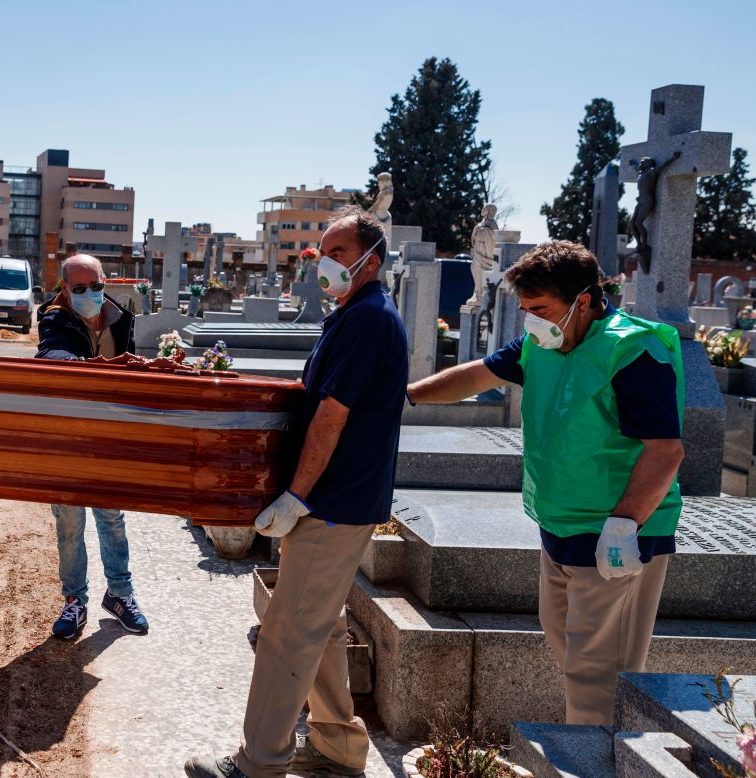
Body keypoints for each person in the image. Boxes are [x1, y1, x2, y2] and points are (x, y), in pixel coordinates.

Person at [407, 240, 684, 725]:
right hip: (559, 525)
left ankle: (595, 758)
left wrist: (624, 526)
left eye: (540, 309)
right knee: (565, 642)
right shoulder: (544, 343)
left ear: (584, 299)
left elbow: (665, 451)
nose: (530, 320)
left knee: (597, 672)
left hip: (615, 534)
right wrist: (407, 396)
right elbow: (476, 377)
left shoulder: (632, 351)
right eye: (525, 309)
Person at [186, 207, 407, 778]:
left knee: (288, 633)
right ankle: (337, 746)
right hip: (339, 501)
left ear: (370, 261)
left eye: (337, 254)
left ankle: (259, 762)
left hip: (331, 502)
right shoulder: (356, 314)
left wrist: (297, 496)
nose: (323, 264)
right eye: (322, 253)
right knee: (319, 626)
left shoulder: (365, 320)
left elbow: (332, 416)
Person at [35, 254, 149, 639]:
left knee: (112, 516)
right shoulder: (55, 317)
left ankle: (120, 594)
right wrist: (86, 365)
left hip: (108, 435)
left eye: (95, 286)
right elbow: (51, 352)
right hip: (65, 436)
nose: (89, 294)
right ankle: (74, 601)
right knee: (70, 521)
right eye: (79, 288)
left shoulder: (121, 318)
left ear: (106, 282)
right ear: (65, 289)